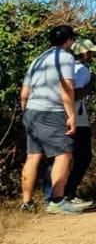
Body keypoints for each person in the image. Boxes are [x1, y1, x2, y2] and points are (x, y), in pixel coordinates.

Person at [18, 24, 87, 214]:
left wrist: (26, 113)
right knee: (64, 154)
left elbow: (24, 92)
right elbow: (67, 88)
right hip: (52, 111)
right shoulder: (65, 58)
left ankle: (26, 202)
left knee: (33, 157)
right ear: (69, 40)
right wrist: (71, 115)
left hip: (32, 110)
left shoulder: (38, 59)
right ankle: (56, 200)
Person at [63, 36, 96, 206]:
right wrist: (91, 85)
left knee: (68, 156)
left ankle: (63, 192)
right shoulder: (82, 70)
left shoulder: (70, 67)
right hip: (77, 118)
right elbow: (76, 93)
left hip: (69, 115)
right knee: (84, 157)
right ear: (84, 53)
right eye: (90, 52)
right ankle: (69, 192)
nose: (92, 55)